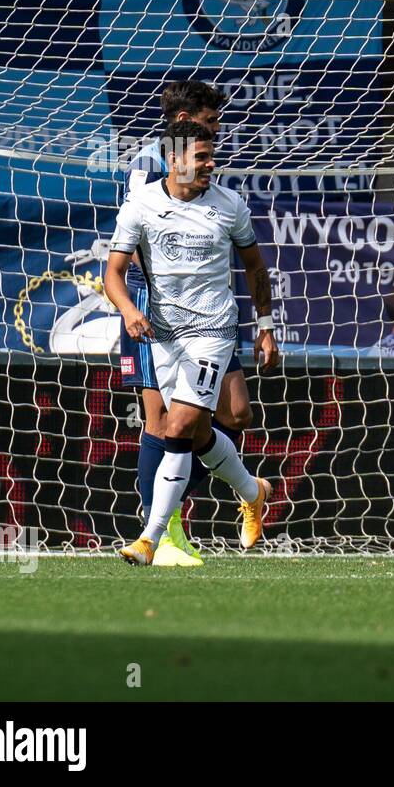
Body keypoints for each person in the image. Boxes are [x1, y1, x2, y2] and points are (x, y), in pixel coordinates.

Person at [105, 121, 279, 565]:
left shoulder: (229, 205)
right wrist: (129, 310)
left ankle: (150, 538)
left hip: (213, 332)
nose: (210, 164)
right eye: (201, 157)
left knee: (178, 427)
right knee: (199, 433)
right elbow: (114, 273)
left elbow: (256, 268)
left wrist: (265, 325)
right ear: (174, 160)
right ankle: (252, 491)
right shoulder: (141, 205)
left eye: (210, 155)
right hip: (163, 335)